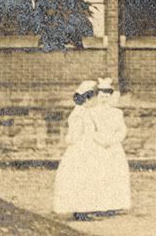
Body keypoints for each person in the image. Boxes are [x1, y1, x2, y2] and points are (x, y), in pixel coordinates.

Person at [53, 80, 101, 219]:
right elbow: (73, 136)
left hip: (87, 147)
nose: (95, 101)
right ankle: (80, 211)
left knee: (88, 178)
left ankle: (85, 209)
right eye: (94, 98)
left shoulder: (85, 112)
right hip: (80, 150)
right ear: (87, 98)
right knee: (80, 178)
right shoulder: (78, 114)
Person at [91, 78, 132, 216]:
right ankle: (98, 204)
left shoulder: (116, 113)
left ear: (110, 97)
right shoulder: (92, 112)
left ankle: (113, 204)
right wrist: (100, 140)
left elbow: (122, 130)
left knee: (115, 174)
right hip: (98, 146)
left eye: (107, 96)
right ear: (97, 97)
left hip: (113, 147)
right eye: (101, 96)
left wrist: (114, 140)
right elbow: (90, 130)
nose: (104, 99)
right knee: (99, 174)